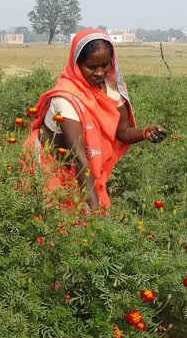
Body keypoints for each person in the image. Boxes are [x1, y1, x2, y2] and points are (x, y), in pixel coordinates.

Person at [24, 29, 168, 212]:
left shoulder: (113, 88)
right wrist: (95, 210)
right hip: (51, 164)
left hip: (83, 171)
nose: (100, 73)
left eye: (105, 65)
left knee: (83, 227)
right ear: (77, 64)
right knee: (53, 226)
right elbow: (78, 157)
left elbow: (122, 132)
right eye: (92, 67)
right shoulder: (67, 98)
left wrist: (145, 133)